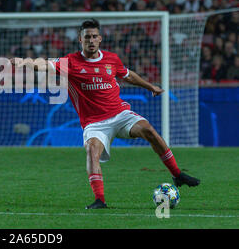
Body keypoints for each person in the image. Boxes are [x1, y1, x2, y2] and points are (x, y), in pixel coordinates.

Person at [12, 19, 200, 209]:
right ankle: (100, 200)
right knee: (92, 151)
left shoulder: (111, 59)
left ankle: (177, 175)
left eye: (94, 36)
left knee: (149, 130)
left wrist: (150, 86)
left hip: (120, 114)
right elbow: (43, 64)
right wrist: (23, 62)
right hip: (95, 123)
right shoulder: (70, 62)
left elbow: (128, 75)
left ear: (100, 39)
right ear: (80, 39)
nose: (91, 40)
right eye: (87, 37)